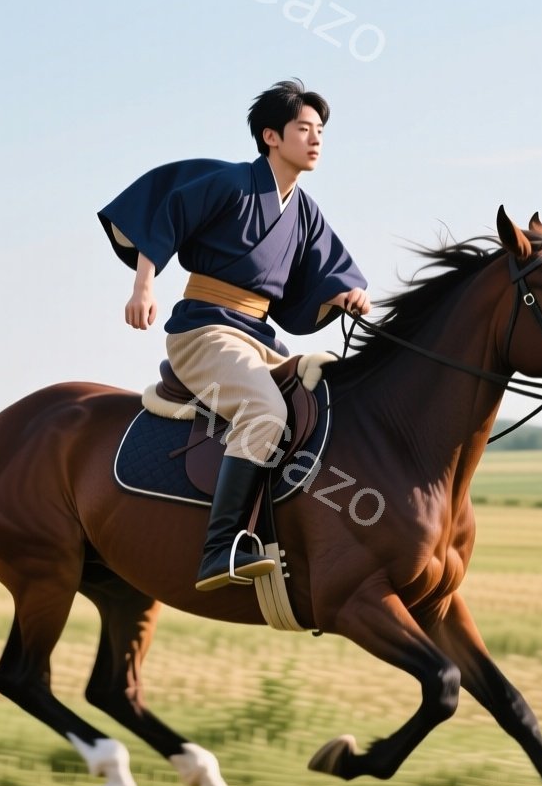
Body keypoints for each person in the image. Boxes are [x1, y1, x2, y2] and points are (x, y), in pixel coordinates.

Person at [97, 79, 371, 591]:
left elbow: (329, 274)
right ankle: (219, 549)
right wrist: (143, 287)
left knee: (324, 399)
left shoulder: (305, 212)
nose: (316, 140)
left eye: (321, 133)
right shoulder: (228, 184)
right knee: (265, 411)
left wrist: (347, 295)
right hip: (204, 330)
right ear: (271, 135)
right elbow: (164, 218)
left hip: (260, 335)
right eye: (304, 129)